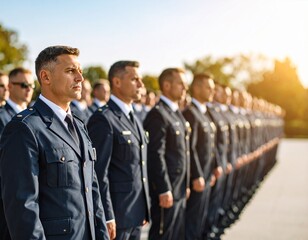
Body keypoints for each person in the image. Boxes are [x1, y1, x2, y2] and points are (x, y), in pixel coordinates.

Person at [0, 45, 109, 240]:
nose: (80, 78)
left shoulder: (79, 126)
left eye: (80, 72)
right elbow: (22, 207)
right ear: (46, 77)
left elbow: (92, 190)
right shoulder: (25, 128)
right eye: (70, 71)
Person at [87, 61, 150, 240]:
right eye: (134, 79)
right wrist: (107, 215)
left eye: (141, 80)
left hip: (135, 211)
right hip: (117, 215)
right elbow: (98, 173)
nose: (141, 85)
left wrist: (143, 207)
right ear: (117, 82)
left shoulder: (134, 117)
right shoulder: (104, 119)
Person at [143, 67, 190, 240]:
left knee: (175, 234)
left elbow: (183, 152)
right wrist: (163, 189)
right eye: (181, 84)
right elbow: (155, 154)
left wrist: (185, 183)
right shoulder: (158, 114)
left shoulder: (176, 113)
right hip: (167, 188)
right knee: (163, 234)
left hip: (177, 187)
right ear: (167, 85)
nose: (185, 88)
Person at [182, 74, 217, 240]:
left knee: (200, 217)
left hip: (206, 173)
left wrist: (214, 167)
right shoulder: (191, 113)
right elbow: (191, 148)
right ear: (196, 88)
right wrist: (196, 175)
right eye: (208, 87)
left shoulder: (204, 113)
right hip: (198, 178)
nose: (212, 91)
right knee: (192, 221)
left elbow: (211, 145)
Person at [0, 67, 34, 133]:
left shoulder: (35, 114)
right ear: (10, 86)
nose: (29, 89)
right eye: (24, 85)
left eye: (32, 85)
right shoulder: (1, 116)